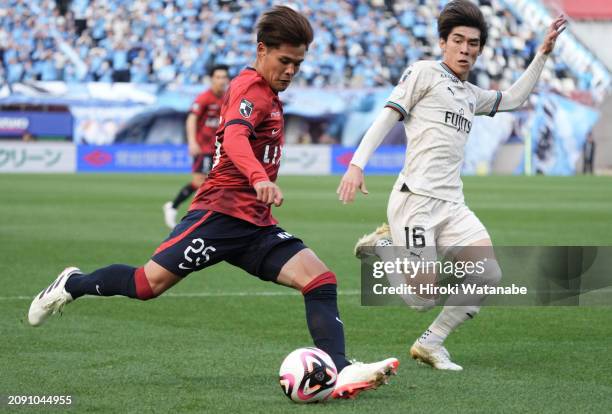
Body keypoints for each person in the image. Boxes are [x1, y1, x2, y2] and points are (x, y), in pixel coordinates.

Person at [28, 6, 398, 399]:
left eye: (298, 63)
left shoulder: (270, 93)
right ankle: (73, 283)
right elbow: (236, 137)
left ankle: (339, 369)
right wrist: (258, 177)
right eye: (284, 61)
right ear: (261, 50)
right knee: (146, 284)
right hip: (219, 214)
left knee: (320, 280)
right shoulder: (251, 89)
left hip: (254, 222)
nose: (291, 70)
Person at [337, 0, 566, 370]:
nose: (465, 49)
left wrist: (542, 53)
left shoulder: (470, 94)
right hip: (417, 202)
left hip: (453, 205)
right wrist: (356, 164)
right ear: (443, 42)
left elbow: (514, 98)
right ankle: (383, 247)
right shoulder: (424, 73)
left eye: (473, 43)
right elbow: (387, 116)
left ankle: (431, 343)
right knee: (421, 298)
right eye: (458, 40)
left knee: (489, 274)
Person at [163, 64, 230, 229]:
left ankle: (176, 207)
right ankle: (188, 212)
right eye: (218, 77)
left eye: (224, 77)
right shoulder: (204, 98)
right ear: (211, 79)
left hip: (219, 148)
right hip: (203, 147)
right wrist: (192, 141)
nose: (222, 80)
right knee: (201, 181)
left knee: (214, 182)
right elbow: (191, 119)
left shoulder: (228, 98)